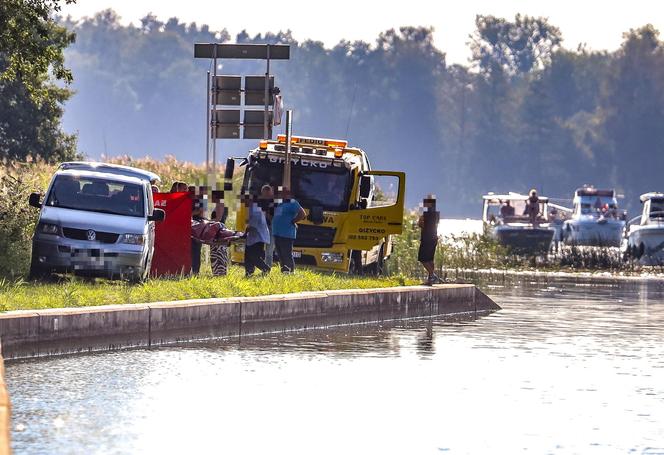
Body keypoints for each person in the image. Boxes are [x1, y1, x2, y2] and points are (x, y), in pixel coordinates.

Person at [272, 187, 306, 273]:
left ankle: (290, 271)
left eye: (282, 193)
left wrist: (293, 221)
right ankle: (284, 270)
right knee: (280, 253)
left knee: (286, 253)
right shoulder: (280, 203)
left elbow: (302, 214)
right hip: (277, 232)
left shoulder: (293, 202)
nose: (280, 194)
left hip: (286, 233)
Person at [244, 195, 271, 277]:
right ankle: (249, 272)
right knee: (248, 254)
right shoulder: (253, 208)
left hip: (258, 237)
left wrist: (244, 232)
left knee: (253, 256)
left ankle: (265, 268)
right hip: (254, 237)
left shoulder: (255, 209)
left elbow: (253, 224)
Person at [418, 196, 442, 285]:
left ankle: (432, 275)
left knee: (423, 258)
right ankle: (430, 279)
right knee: (430, 259)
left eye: (426, 202)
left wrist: (420, 219)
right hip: (434, 238)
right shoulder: (437, 214)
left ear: (429, 204)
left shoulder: (425, 215)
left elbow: (420, 224)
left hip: (426, 238)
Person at [259, 184, 276, 268]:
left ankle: (267, 268)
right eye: (265, 194)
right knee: (258, 249)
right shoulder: (258, 202)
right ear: (262, 193)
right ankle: (260, 266)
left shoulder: (275, 202)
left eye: (268, 194)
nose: (267, 196)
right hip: (260, 228)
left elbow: (275, 216)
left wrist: (267, 215)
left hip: (271, 228)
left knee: (269, 251)